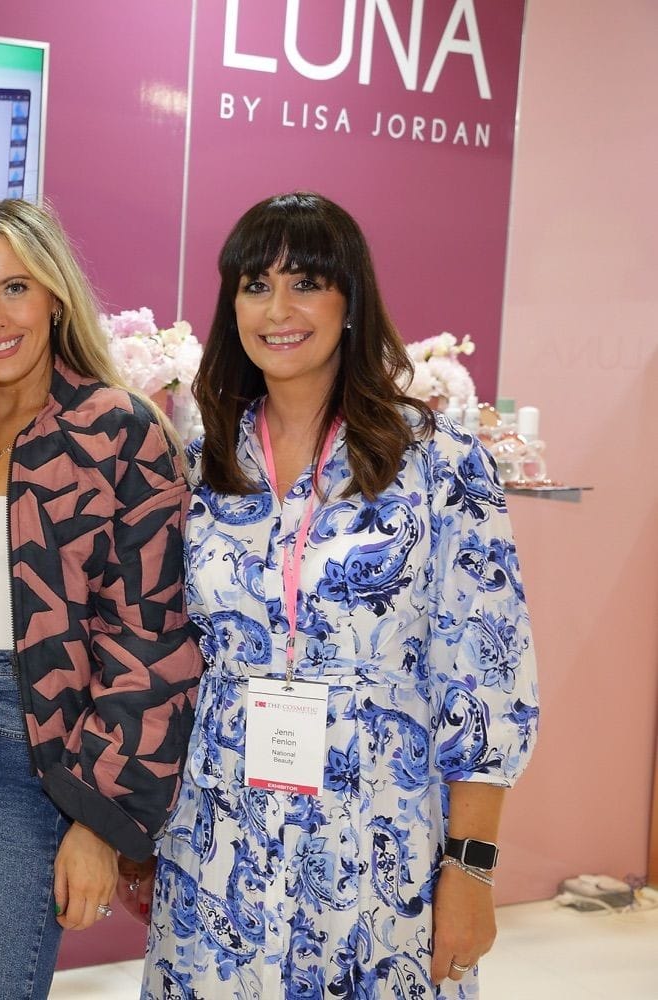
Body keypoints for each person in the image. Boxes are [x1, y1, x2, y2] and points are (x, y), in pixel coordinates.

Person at [143, 192, 539, 999]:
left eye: (304, 283)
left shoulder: (438, 464)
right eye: (255, 286)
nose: (277, 310)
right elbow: (166, 657)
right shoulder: (200, 464)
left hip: (380, 842)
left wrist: (471, 871)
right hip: (219, 841)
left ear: (351, 301)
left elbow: (489, 683)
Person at [0, 198, 203, 1000]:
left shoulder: (118, 430)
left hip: (27, 754)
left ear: (55, 295)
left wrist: (98, 819)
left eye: (15, 288)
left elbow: (153, 640)